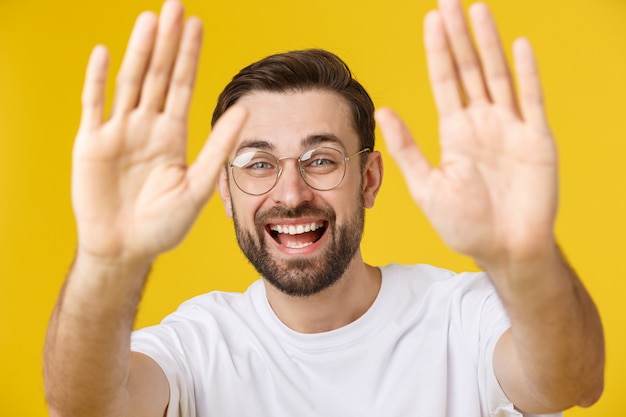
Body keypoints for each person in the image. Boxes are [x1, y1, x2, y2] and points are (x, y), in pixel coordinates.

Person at [43, 0, 605, 416]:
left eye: (320, 159)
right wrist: (106, 261)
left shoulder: (460, 317)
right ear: (225, 190)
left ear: (368, 178)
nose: (290, 194)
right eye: (258, 164)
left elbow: (572, 382)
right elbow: (82, 406)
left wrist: (525, 257)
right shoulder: (199, 345)